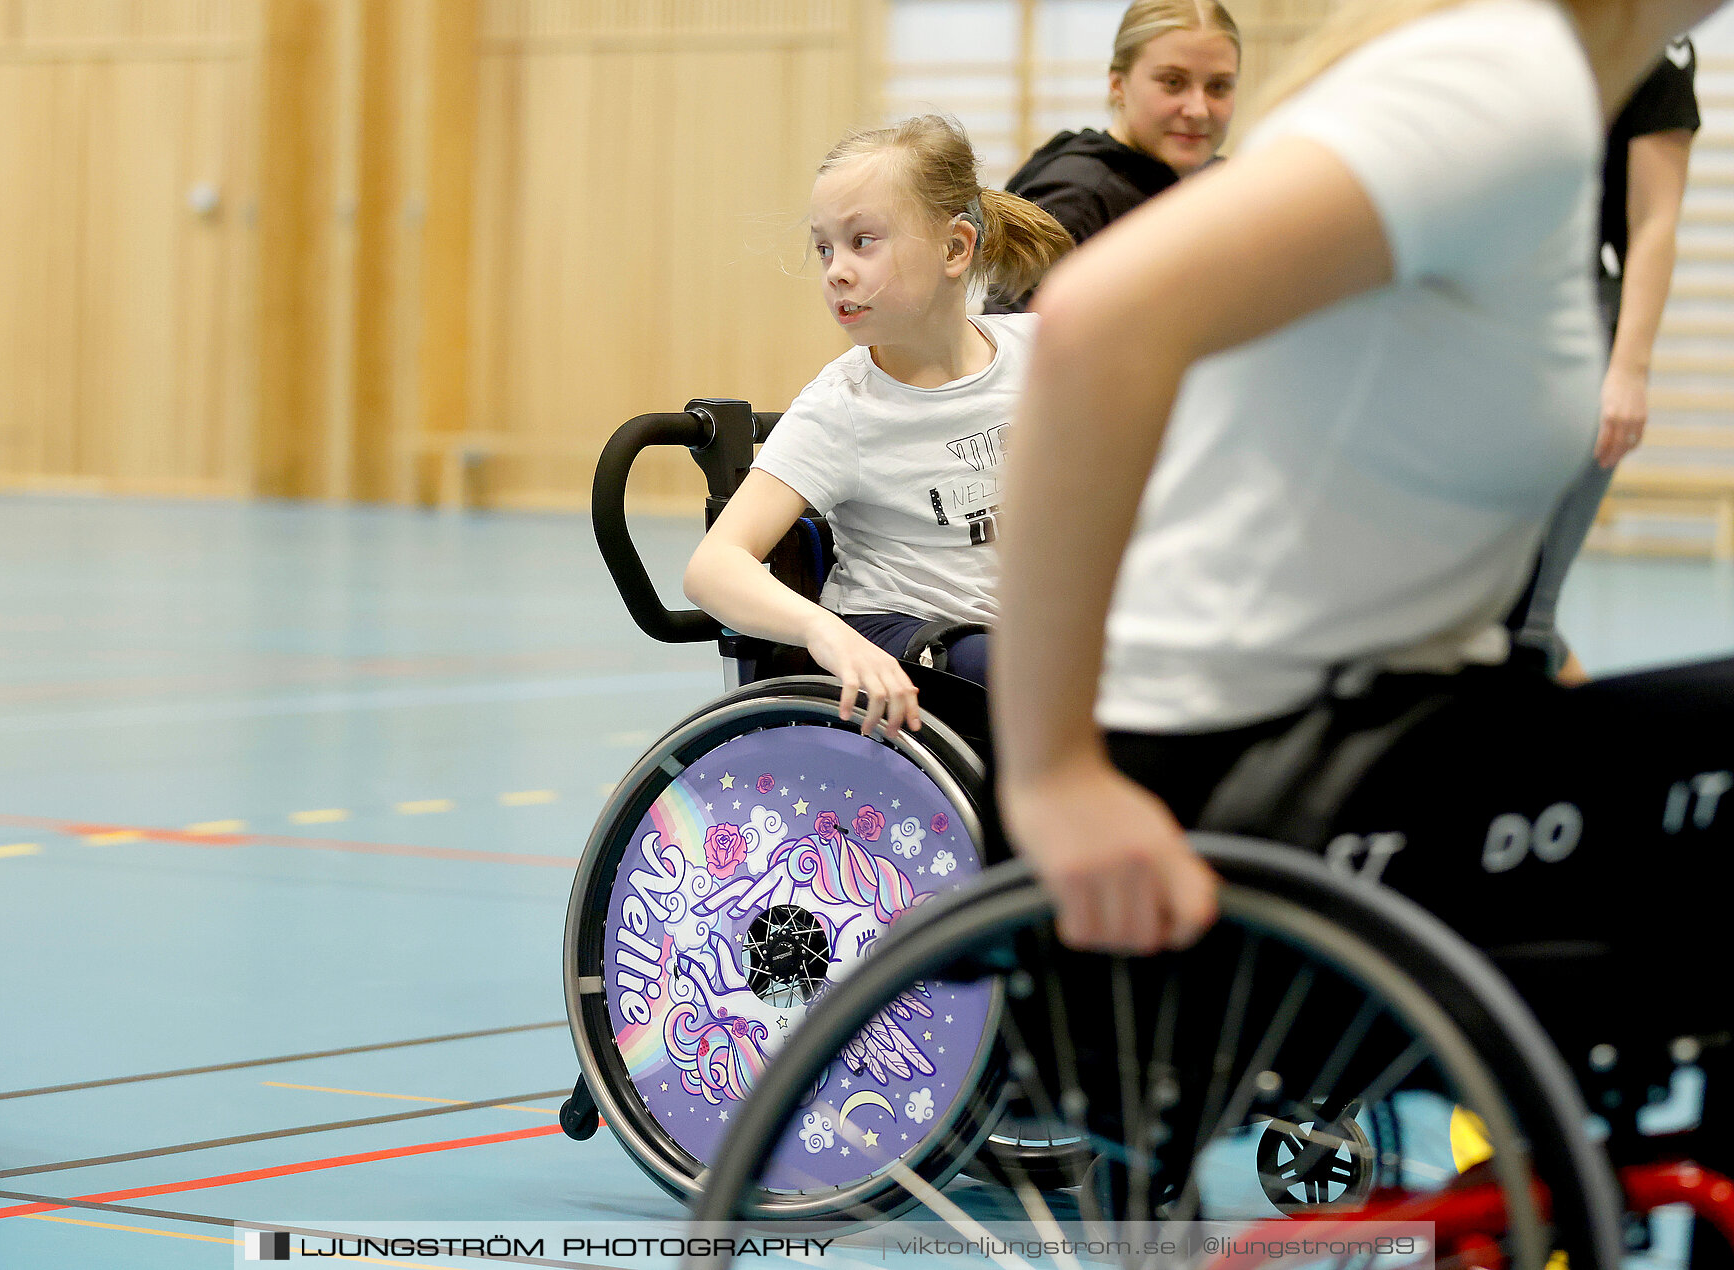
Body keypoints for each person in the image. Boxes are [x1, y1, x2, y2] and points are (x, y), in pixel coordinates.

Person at [989, 0, 1732, 1224]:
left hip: (1374, 733)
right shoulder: (1502, 80)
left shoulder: (1552, 90)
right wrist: (1053, 768)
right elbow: (1092, 321)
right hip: (1233, 790)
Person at [683, 115, 1071, 737]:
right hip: (909, 638)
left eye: (863, 241)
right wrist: (825, 632)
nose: (836, 270)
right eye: (825, 247)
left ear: (955, 248)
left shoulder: (1044, 354)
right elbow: (713, 567)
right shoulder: (843, 408)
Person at [1513, 39, 1701, 679]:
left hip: (1575, 317)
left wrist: (1628, 373)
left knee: (1525, 619)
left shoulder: (1652, 39)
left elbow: (1655, 222)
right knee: (1488, 617)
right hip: (1480, 309)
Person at [987, 0, 1240, 312]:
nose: (1198, 110)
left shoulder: (1222, 183)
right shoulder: (1077, 197)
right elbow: (1011, 342)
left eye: (1218, 87)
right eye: (1173, 83)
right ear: (1118, 84)